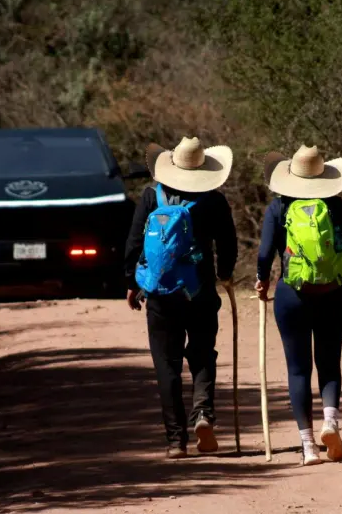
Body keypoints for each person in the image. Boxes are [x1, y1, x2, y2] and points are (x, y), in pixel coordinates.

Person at [124, 136, 238, 459]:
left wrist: (132, 283)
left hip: (159, 294)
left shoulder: (150, 197)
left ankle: (176, 441)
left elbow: (134, 243)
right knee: (202, 353)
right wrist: (225, 273)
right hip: (199, 290)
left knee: (166, 364)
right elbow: (227, 243)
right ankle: (203, 413)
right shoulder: (213, 201)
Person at [255, 144, 342, 466]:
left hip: (292, 296)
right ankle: (331, 423)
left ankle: (307, 446)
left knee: (298, 369)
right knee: (329, 364)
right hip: (333, 293)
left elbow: (264, 254)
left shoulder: (278, 207)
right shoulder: (337, 207)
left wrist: (261, 280)